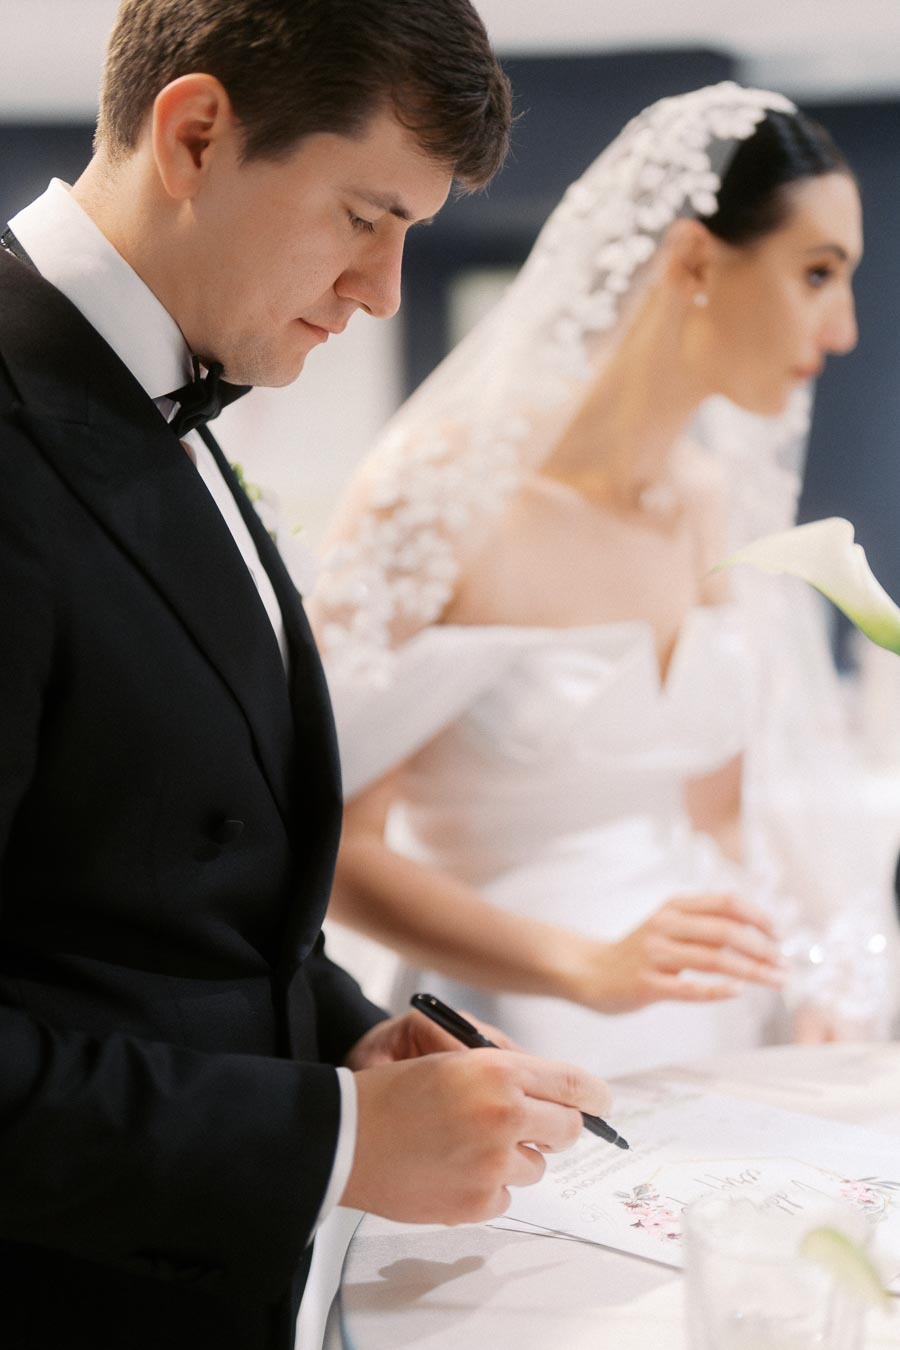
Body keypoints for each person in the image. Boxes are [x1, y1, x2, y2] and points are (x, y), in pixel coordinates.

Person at [0, 4, 615, 1348]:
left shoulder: (166, 383)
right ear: (199, 133)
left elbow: (139, 879)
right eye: (363, 217)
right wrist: (329, 1137)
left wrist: (343, 1036)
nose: (386, 290)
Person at [313, 82, 891, 1078]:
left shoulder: (713, 502)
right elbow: (335, 850)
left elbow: (714, 814)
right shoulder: (439, 494)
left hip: (716, 1032)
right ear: (697, 261)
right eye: (816, 273)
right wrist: (584, 966)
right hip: (508, 1029)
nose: (842, 330)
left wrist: (802, 980)